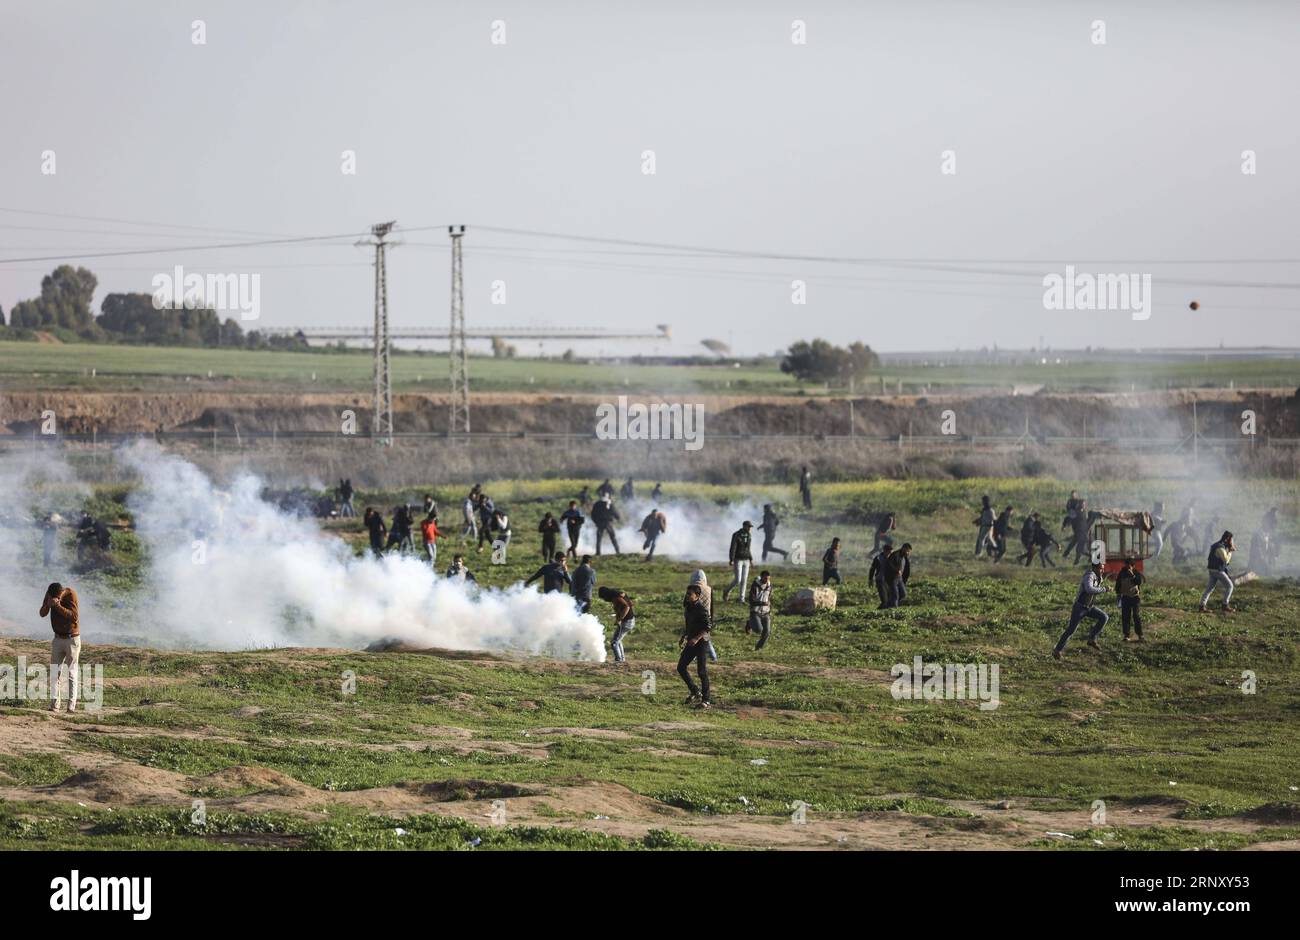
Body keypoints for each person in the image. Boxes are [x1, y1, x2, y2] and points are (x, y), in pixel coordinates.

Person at [1053, 562, 1110, 659]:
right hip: (1080, 608)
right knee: (1071, 630)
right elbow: (1089, 589)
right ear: (1095, 568)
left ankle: (1092, 639)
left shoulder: (1097, 577)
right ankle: (1057, 650)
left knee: (1104, 617)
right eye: (1101, 569)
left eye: (1103, 568)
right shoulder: (1089, 576)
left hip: (1089, 607)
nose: (1102, 571)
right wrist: (1104, 589)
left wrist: (1101, 581)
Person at [40, 582, 80, 712]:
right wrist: (48, 604)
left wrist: (57, 606)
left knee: (71, 673)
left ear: (61, 593)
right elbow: (42, 613)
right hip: (57, 638)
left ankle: (71, 706)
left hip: (72, 639)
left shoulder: (71, 595)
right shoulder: (49, 594)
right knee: (54, 673)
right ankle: (55, 705)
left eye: (55, 597)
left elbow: (74, 617)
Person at [678, 584, 712, 708]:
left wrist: (697, 638)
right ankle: (694, 690)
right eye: (686, 594)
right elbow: (689, 625)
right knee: (681, 667)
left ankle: (706, 700)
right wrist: (684, 636)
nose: (687, 596)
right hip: (691, 640)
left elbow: (708, 627)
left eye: (689, 594)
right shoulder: (688, 607)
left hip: (702, 642)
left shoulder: (701, 609)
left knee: (701, 671)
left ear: (697, 596)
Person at [1199, 531, 1236, 612]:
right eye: (1231, 540)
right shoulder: (1220, 547)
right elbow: (1226, 560)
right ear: (1227, 539)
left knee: (1210, 588)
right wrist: (1230, 551)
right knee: (1230, 586)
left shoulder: (1218, 545)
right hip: (1217, 571)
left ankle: (1202, 606)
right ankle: (1225, 605)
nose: (1232, 542)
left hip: (1212, 570)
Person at [598, 585, 635, 663]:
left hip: (626, 622)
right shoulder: (619, 594)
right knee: (618, 641)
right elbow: (630, 603)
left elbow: (627, 607)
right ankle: (621, 660)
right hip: (629, 621)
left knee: (614, 642)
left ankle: (619, 660)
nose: (605, 599)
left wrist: (620, 619)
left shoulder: (616, 597)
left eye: (604, 597)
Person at [687, 570, 718, 661]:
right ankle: (713, 657)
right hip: (706, 617)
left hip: (695, 618)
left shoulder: (692, 589)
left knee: (695, 637)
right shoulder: (709, 589)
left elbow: (687, 603)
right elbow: (712, 606)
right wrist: (711, 619)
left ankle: (695, 658)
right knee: (705, 638)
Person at [1115, 556, 1145, 642]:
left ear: (1133, 566)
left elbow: (1138, 582)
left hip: (1135, 598)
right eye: (1126, 565)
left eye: (1129, 566)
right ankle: (1126, 635)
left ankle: (1140, 635)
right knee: (1125, 617)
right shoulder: (1122, 573)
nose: (1127, 567)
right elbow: (1118, 585)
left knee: (1136, 616)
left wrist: (1132, 575)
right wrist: (1118, 596)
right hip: (1125, 598)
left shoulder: (1136, 573)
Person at [723, 521, 754, 602]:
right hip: (738, 559)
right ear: (744, 526)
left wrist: (751, 559)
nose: (750, 528)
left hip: (746, 560)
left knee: (744, 580)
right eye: (748, 527)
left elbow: (748, 548)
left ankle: (741, 599)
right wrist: (731, 559)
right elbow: (733, 547)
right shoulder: (737, 534)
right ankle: (727, 591)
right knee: (738, 580)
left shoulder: (749, 535)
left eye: (750, 527)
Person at [746, 570, 773, 650]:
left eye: (768, 579)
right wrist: (762, 603)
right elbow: (751, 600)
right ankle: (750, 623)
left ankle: (758, 647)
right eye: (765, 578)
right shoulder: (755, 586)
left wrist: (769, 608)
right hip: (756, 612)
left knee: (767, 632)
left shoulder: (770, 586)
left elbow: (769, 598)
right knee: (759, 630)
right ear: (761, 577)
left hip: (766, 613)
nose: (766, 580)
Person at [886, 543, 912, 607]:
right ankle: (894, 609)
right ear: (903, 548)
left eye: (909, 552)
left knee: (903, 594)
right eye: (907, 551)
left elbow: (907, 569)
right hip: (892, 578)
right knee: (895, 596)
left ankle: (889, 604)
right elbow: (888, 564)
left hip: (899, 579)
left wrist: (905, 579)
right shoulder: (895, 554)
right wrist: (896, 570)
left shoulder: (905, 557)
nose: (908, 553)